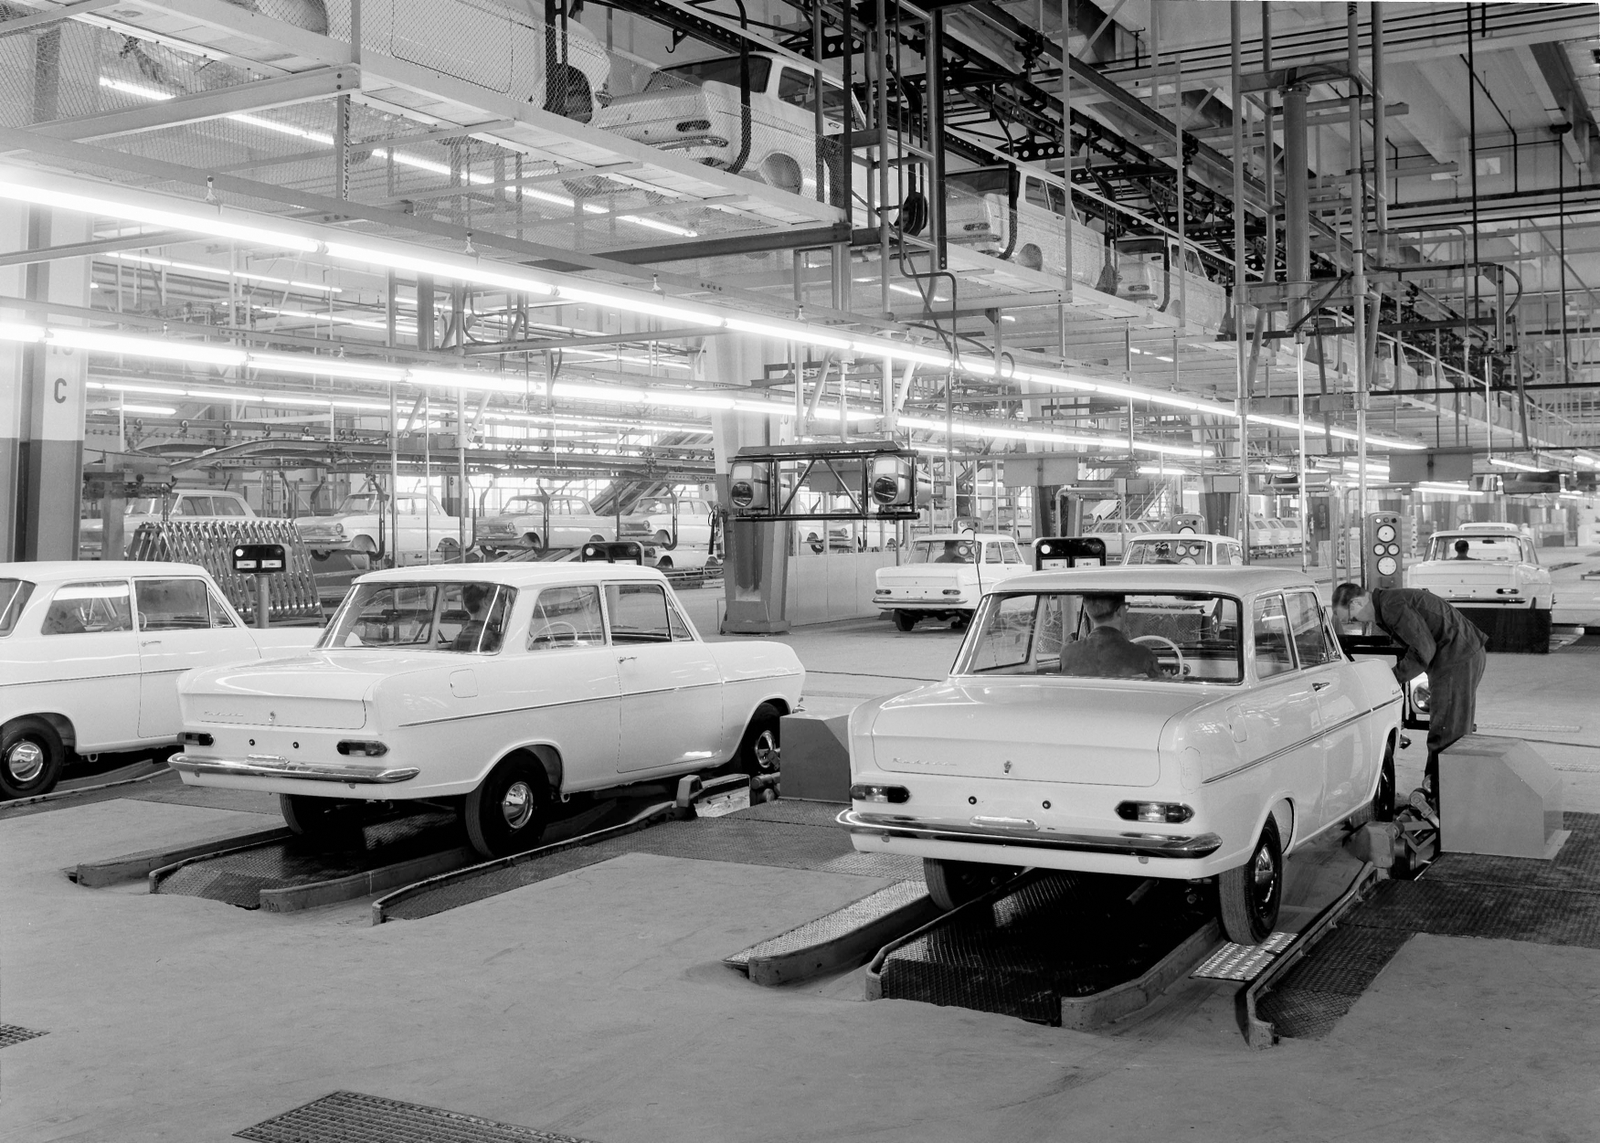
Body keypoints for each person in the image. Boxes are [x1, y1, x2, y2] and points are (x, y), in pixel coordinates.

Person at [1331, 582, 1488, 801]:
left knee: (1446, 731)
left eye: (1351, 618)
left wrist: (1390, 679)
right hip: (1461, 654)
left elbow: (1424, 651)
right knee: (1454, 729)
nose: (1357, 622)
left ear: (1356, 602)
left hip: (1456, 659)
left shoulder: (1392, 607)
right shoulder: (1389, 603)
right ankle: (1447, 797)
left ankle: (1442, 800)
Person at [1059, 593, 1162, 678]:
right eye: (1126, 606)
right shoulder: (1143, 656)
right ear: (1120, 610)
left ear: (1088, 611)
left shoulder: (1068, 653)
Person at [451, 582, 504, 652]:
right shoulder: (496, 641)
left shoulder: (457, 640)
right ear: (485, 602)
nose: (504, 604)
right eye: (500, 598)